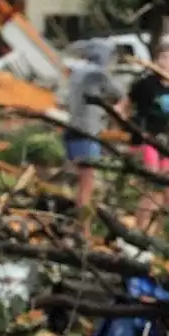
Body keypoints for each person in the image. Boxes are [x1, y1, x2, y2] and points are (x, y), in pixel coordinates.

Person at [127, 48, 169, 233]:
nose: (165, 62)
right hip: (147, 138)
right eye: (162, 57)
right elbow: (125, 104)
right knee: (154, 185)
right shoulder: (146, 84)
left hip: (166, 141)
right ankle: (140, 228)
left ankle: (155, 232)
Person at [64, 40, 121, 211]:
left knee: (78, 180)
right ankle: (83, 225)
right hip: (87, 134)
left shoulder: (77, 73)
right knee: (87, 182)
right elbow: (118, 93)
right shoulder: (98, 75)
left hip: (71, 131)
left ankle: (73, 219)